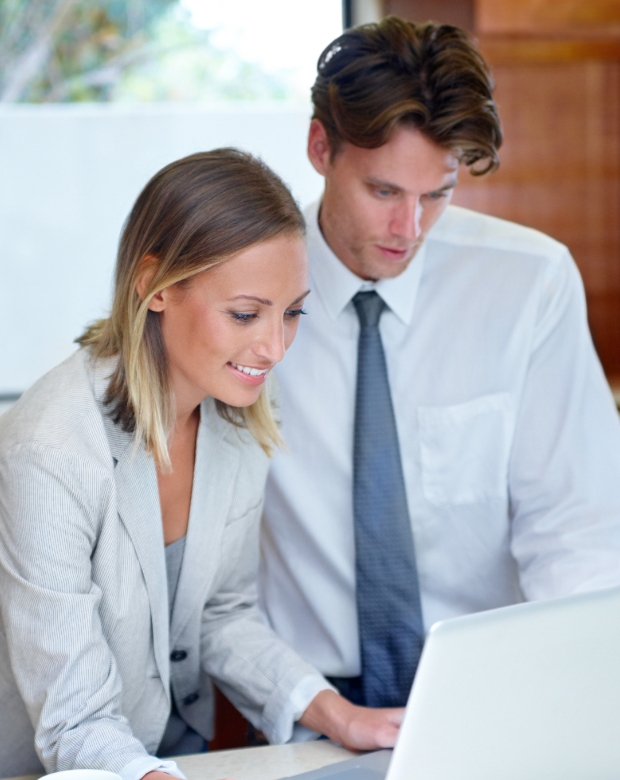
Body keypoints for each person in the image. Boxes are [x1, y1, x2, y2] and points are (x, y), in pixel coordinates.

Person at [0, 150, 401, 780]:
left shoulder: (236, 416)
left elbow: (222, 614)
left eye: (292, 311)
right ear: (155, 286)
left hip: (173, 758)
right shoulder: (47, 452)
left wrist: (335, 712)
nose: (273, 347)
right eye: (245, 314)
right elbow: (74, 721)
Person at [260, 16, 620, 716]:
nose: (410, 230)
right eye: (385, 192)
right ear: (319, 147)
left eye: (439, 194)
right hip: (306, 704)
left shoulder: (529, 282)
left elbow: (577, 527)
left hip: (500, 686)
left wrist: (573, 699)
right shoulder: (247, 296)